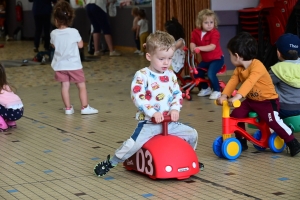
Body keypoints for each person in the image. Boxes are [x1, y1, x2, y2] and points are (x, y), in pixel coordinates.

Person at [94, 31, 202, 177]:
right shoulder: (142, 75)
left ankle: (188, 157)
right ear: (149, 56)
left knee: (192, 134)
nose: (166, 63)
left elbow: (177, 93)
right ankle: (111, 162)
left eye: (170, 58)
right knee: (132, 144)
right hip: (149, 124)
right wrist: (153, 113)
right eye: (162, 59)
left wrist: (175, 109)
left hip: (170, 123)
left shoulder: (170, 75)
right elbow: (138, 96)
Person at [216, 32, 300, 157]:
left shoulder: (257, 66)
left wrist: (238, 96)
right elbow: (233, 81)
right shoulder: (239, 68)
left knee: (274, 122)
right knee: (236, 115)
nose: (229, 57)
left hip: (267, 101)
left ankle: (292, 141)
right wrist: (224, 95)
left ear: (237, 56)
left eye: (230, 55)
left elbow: (250, 82)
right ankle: (241, 140)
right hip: (251, 101)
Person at [50, 1, 98, 115]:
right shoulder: (74, 32)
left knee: (65, 86)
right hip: (74, 65)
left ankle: (68, 108)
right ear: (70, 18)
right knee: (81, 85)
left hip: (60, 66)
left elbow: (53, 45)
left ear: (56, 19)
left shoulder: (53, 34)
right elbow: (81, 45)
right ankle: (85, 107)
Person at [190, 9, 224, 100]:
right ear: (200, 23)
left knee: (211, 73)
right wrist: (192, 48)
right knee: (196, 72)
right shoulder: (195, 32)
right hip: (206, 60)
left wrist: (199, 48)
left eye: (211, 22)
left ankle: (217, 91)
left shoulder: (215, 33)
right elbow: (192, 42)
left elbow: (212, 46)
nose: (209, 25)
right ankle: (205, 88)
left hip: (217, 59)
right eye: (206, 22)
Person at [269, 33, 300, 119]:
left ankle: (272, 127)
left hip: (285, 110)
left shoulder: (277, 69)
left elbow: (264, 83)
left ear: (278, 53)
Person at [0, 64, 24, 131]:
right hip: (20, 111)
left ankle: (2, 125)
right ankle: (11, 122)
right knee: (4, 104)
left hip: (9, 112)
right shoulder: (6, 86)